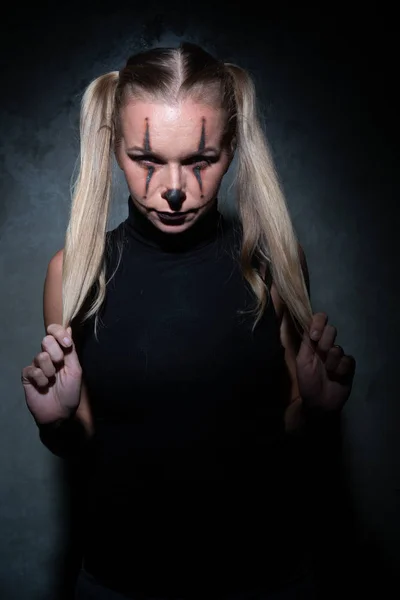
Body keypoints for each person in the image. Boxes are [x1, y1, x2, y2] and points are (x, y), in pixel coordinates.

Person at [21, 42, 356, 599]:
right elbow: (79, 443)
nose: (174, 189)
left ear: (231, 149)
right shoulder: (74, 274)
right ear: (113, 149)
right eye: (146, 159)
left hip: (266, 578)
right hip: (118, 581)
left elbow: (290, 427)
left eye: (202, 160)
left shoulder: (275, 264)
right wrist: (58, 423)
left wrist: (317, 414)